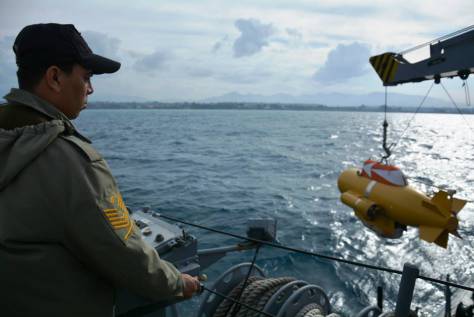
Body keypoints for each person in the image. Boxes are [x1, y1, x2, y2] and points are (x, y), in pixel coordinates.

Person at [0, 23, 200, 317]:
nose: (90, 89)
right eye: (86, 77)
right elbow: (124, 255)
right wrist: (177, 282)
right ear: (54, 77)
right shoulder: (69, 161)